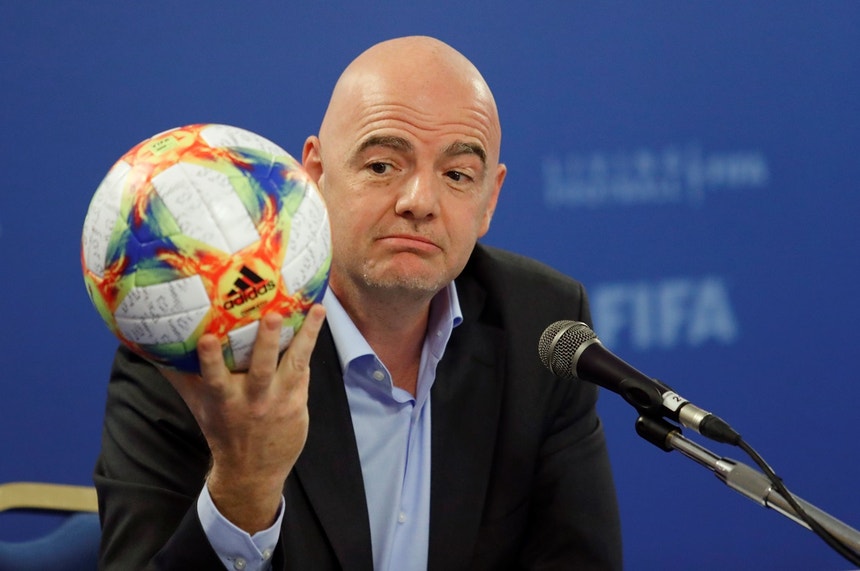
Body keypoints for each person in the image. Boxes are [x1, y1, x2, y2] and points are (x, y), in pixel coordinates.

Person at [94, 35, 623, 570]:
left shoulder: (542, 326)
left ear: (490, 200)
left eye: (457, 175)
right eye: (382, 166)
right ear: (314, 174)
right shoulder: (195, 346)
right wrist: (243, 489)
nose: (420, 202)